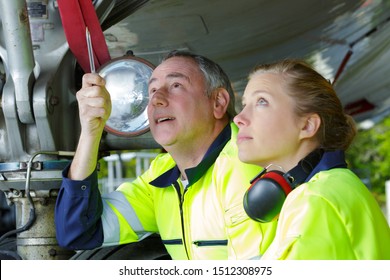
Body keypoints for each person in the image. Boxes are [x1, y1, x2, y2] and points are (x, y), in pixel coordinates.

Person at [55, 50, 277, 260]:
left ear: (218, 102)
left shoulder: (246, 164)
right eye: (151, 91)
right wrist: (91, 133)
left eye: (176, 85)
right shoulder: (162, 175)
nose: (156, 99)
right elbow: (77, 231)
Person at [234, 59, 390, 259]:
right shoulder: (334, 185)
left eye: (261, 101)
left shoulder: (314, 200)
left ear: (307, 126)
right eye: (245, 104)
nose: (238, 118)